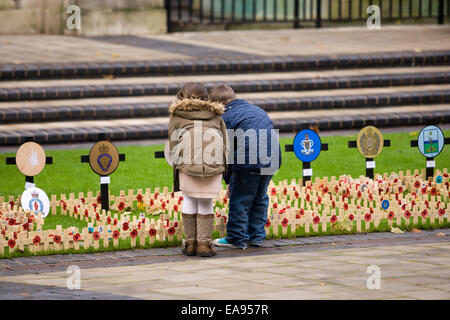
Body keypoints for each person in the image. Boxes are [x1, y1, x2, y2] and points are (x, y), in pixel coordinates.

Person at [209, 84, 281, 249]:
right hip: (271, 159)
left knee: (240, 200)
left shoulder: (224, 118)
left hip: (248, 162)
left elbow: (225, 151)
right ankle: (256, 236)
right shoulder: (256, 110)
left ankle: (236, 238)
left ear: (217, 104)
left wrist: (229, 181)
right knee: (260, 198)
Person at [168, 83, 228, 257]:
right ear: (206, 97)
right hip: (213, 163)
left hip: (188, 162)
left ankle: (190, 243)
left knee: (189, 198)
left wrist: (179, 161)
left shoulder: (177, 115)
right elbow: (225, 141)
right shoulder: (216, 115)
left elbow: (173, 143)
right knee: (205, 201)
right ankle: (204, 245)